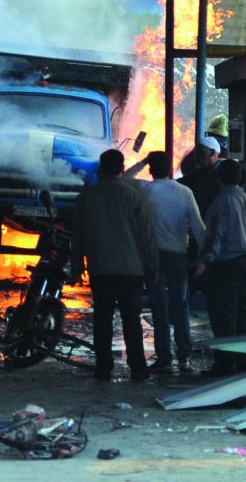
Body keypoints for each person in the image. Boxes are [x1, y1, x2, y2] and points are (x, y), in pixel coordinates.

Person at [71, 149, 158, 381]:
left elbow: (78, 236)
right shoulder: (136, 196)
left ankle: (103, 367)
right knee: (131, 320)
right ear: (122, 168)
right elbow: (147, 237)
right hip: (131, 270)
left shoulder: (86, 197)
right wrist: (152, 269)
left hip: (100, 268)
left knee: (102, 319)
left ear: (100, 169)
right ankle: (138, 367)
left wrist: (77, 265)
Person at [195, 159, 246, 377]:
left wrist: (204, 261)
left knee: (224, 315)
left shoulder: (221, 203)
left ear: (220, 179)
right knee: (243, 312)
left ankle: (225, 365)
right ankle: (242, 360)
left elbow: (214, 236)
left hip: (227, 264)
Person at [135, 151, 206, 373]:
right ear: (170, 168)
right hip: (178, 256)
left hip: (153, 256)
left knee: (159, 307)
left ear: (151, 169)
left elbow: (123, 178)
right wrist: (204, 258)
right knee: (180, 305)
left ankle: (164, 358)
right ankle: (184, 356)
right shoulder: (184, 192)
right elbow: (199, 228)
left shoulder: (145, 189)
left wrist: (142, 162)